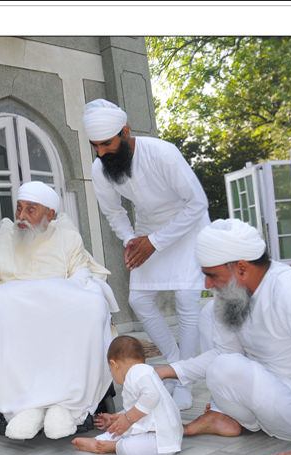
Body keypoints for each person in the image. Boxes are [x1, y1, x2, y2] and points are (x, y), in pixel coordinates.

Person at [154, 218, 291, 455]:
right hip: (269, 394)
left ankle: (240, 418)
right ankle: (228, 416)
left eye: (212, 275)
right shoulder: (233, 294)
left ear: (242, 269)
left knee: (225, 367)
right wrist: (167, 371)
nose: (207, 283)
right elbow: (223, 353)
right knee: (209, 314)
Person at [0, 181, 119, 440]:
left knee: (92, 304)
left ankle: (65, 406)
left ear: (50, 215)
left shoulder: (67, 238)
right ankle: (25, 408)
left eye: (30, 210)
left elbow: (81, 278)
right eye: (19, 208)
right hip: (17, 315)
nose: (21, 216)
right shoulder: (4, 240)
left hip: (59, 315)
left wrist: (52, 295)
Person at [83, 98, 211, 410]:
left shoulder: (163, 153)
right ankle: (177, 365)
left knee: (187, 299)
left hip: (188, 225)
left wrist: (155, 242)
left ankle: (185, 382)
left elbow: (197, 203)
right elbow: (114, 213)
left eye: (106, 143)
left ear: (125, 133)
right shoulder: (100, 169)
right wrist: (131, 240)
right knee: (138, 300)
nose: (101, 152)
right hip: (146, 231)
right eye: (95, 146)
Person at [72, 336, 183, 455]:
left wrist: (128, 419)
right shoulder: (143, 372)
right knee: (119, 429)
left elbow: (152, 396)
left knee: (129, 449)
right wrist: (115, 419)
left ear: (114, 365)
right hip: (158, 434)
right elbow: (140, 408)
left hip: (162, 441)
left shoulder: (136, 371)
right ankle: (99, 441)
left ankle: (113, 446)